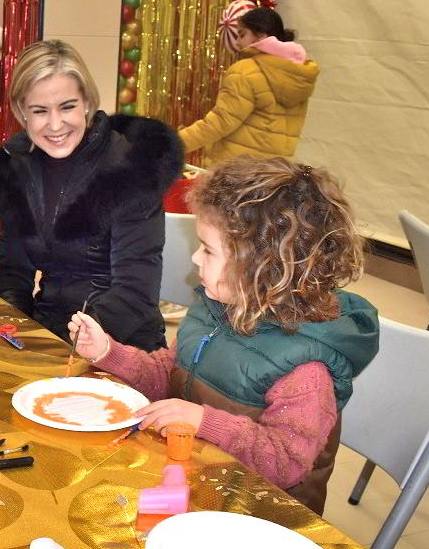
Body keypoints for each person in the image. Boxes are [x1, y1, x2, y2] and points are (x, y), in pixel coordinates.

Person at [68, 157, 380, 514]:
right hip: (197, 479)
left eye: (208, 249)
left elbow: (286, 463)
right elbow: (167, 376)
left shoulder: (306, 368)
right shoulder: (214, 309)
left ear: (261, 266)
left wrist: (202, 421)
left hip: (259, 514)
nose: (195, 258)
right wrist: (108, 351)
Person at [0, 39, 183, 350]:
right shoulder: (17, 170)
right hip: (49, 330)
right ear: (22, 111)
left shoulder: (131, 167)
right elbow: (12, 273)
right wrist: (15, 334)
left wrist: (70, 347)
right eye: (39, 111)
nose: (55, 124)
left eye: (67, 107)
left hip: (121, 344)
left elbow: (134, 294)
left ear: (86, 101)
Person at [177, 7, 319, 165]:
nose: (237, 42)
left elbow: (221, 121)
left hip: (235, 169)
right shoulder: (298, 75)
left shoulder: (246, 70)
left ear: (261, 35)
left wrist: (174, 144)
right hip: (272, 170)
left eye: (242, 34)